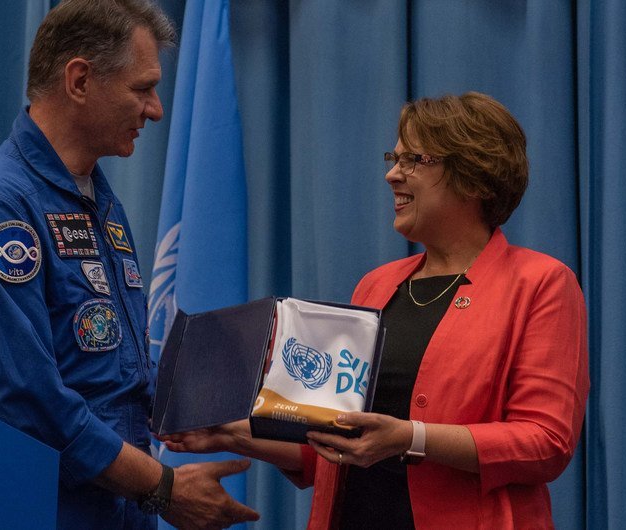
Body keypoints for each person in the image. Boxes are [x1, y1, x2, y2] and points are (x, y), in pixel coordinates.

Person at [161, 92, 589, 528]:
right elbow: (330, 445)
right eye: (394, 158)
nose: (391, 175)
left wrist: (409, 438)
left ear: (476, 177)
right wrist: (229, 434)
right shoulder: (377, 285)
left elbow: (546, 442)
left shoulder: (541, 284)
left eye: (413, 161)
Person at [0, 1, 258, 528]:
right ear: (79, 80)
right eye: (142, 88)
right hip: (47, 508)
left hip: (122, 506)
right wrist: (165, 487)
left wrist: (219, 420)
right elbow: (26, 401)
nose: (156, 110)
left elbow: (116, 372)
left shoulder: (99, 201)